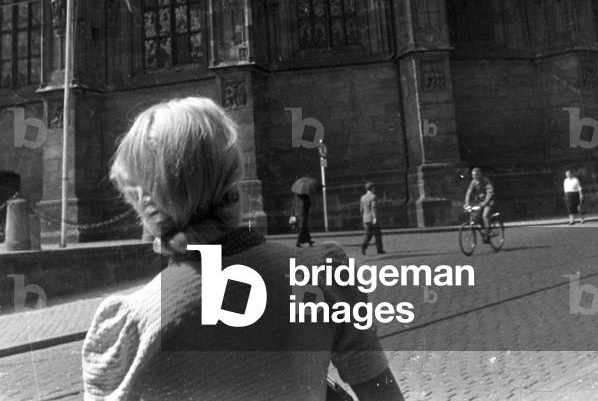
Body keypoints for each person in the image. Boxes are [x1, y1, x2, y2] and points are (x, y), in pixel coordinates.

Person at [82, 97, 403, 401]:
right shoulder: (318, 275)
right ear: (234, 181)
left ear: (146, 204)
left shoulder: (132, 326)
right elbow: (381, 390)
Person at [464, 167, 495, 242]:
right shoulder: (473, 182)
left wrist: (485, 202)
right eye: (473, 175)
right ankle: (483, 231)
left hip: (488, 201)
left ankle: (488, 233)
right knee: (475, 217)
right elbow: (469, 192)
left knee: (485, 215)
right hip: (479, 201)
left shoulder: (485, 181)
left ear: (479, 174)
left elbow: (490, 192)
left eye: (476, 175)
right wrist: (467, 203)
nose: (474, 177)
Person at [360, 181, 385, 256]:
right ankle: (379, 249)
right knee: (377, 234)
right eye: (374, 188)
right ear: (372, 188)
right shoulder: (373, 197)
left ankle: (363, 246)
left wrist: (364, 217)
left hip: (366, 218)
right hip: (372, 218)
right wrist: (375, 218)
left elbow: (361, 209)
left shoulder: (363, 197)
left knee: (368, 234)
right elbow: (374, 208)